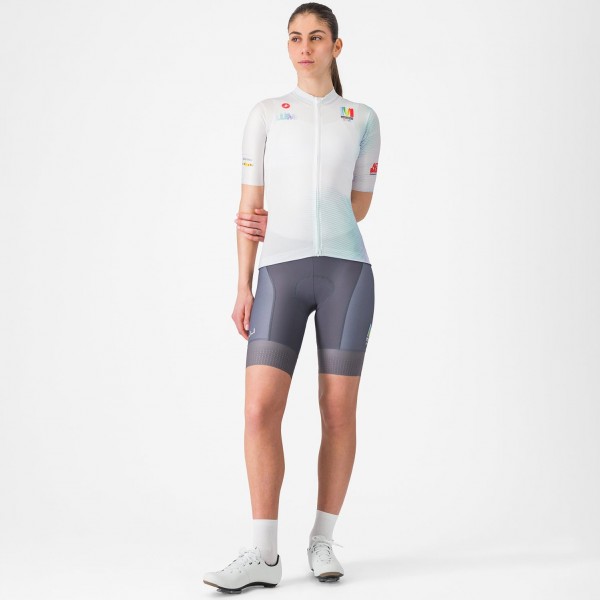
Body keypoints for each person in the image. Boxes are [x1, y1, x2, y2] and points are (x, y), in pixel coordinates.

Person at [203, 2, 381, 593]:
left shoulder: (362, 118)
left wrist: (314, 214)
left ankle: (323, 540)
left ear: (336, 46)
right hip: (278, 273)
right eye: (295, 38)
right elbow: (249, 204)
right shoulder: (265, 114)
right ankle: (263, 554)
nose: (305, 48)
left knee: (337, 410)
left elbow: (358, 206)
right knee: (259, 409)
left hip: (346, 275)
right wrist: (243, 283)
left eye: (316, 37)